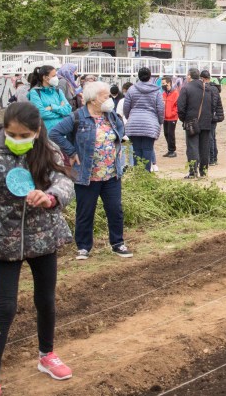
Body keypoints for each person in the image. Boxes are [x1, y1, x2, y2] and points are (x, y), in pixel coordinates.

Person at [0, 102, 75, 396]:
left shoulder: (48, 150)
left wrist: (51, 196)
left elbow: (64, 181)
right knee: (5, 307)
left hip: (43, 237)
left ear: (36, 131)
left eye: (24, 135)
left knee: (46, 299)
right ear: (4, 130)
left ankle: (46, 354)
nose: (18, 139)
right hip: (5, 240)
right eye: (12, 134)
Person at [49, 81, 132, 260]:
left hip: (111, 173)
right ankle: (84, 247)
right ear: (94, 100)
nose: (109, 99)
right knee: (85, 211)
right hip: (87, 175)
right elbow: (54, 133)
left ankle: (118, 243)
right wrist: (71, 151)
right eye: (106, 96)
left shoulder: (111, 116)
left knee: (115, 210)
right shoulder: (78, 117)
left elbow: (120, 130)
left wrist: (116, 150)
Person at [123, 67, 164, 172]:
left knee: (136, 151)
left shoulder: (131, 90)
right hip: (150, 124)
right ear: (150, 76)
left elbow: (126, 108)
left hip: (134, 124)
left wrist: (130, 118)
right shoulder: (156, 91)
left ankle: (138, 174)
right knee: (148, 150)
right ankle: (146, 174)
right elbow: (160, 109)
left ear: (138, 76)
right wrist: (160, 121)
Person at [177, 68, 215, 178]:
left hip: (191, 122)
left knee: (192, 147)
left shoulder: (186, 88)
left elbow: (181, 107)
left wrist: (184, 119)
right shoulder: (207, 88)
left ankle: (193, 172)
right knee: (204, 148)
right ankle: (203, 172)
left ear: (189, 76)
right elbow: (212, 105)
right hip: (206, 122)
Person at [27, 65, 72, 133]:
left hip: (62, 132)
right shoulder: (35, 92)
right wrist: (61, 111)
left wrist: (52, 107)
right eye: (53, 76)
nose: (56, 78)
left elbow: (68, 110)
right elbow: (41, 113)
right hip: (46, 133)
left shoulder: (58, 91)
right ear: (45, 78)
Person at [201, 70, 224, 166]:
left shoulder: (211, 89)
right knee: (212, 137)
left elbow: (212, 103)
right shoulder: (214, 88)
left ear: (203, 78)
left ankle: (212, 158)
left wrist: (209, 114)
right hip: (214, 116)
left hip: (211, 116)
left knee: (210, 137)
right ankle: (213, 157)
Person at [161, 76, 180, 158]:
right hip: (165, 117)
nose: (162, 85)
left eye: (163, 83)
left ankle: (172, 150)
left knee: (171, 134)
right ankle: (170, 150)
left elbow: (178, 106)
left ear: (168, 83)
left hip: (172, 117)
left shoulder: (175, 93)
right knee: (166, 133)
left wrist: (172, 113)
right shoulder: (164, 93)